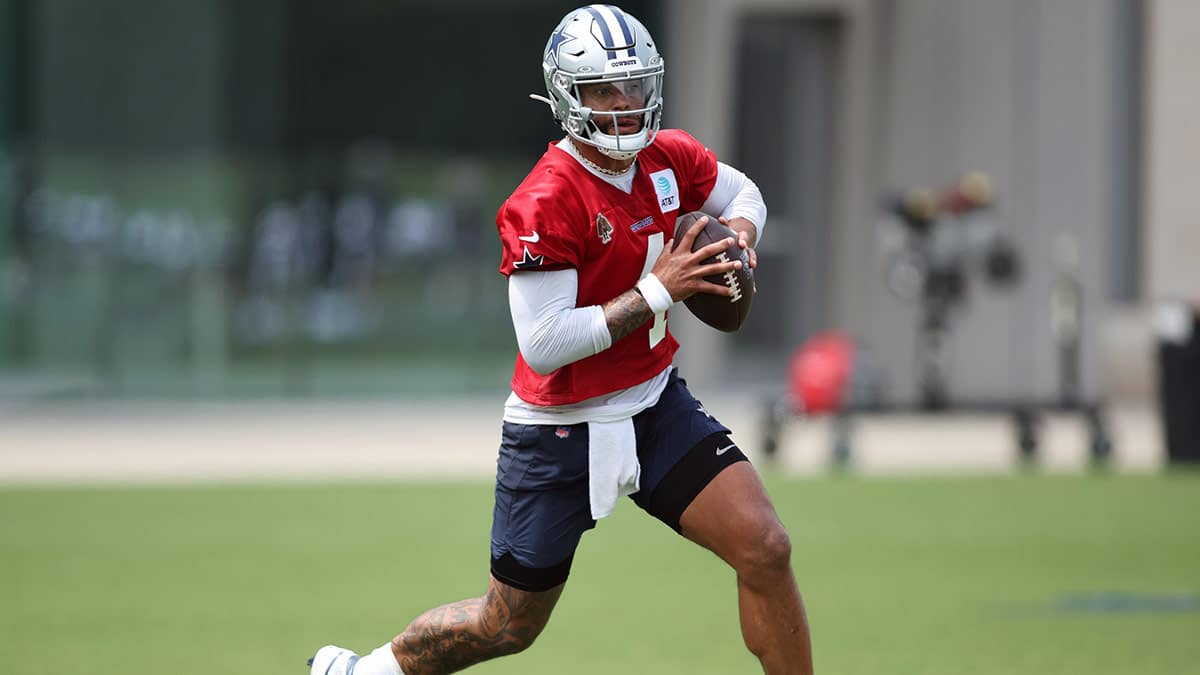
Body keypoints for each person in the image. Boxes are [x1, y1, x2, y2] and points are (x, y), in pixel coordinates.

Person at [308, 5, 813, 674]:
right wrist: (663, 288)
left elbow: (743, 192)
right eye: (606, 89)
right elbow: (544, 342)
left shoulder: (670, 157)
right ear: (569, 97)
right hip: (560, 428)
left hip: (655, 404)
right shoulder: (546, 198)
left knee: (765, 546)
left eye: (634, 86)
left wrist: (740, 240)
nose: (625, 104)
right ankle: (366, 671)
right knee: (506, 622)